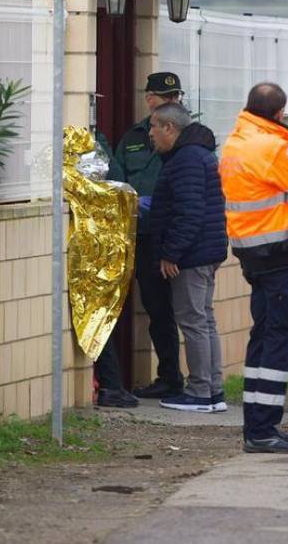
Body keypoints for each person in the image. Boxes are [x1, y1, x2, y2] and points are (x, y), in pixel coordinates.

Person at [221, 82, 288, 454]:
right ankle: (264, 430)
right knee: (278, 339)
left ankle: (257, 424)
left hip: (251, 254)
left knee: (262, 337)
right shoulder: (272, 147)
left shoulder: (235, 143)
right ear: (278, 113)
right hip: (279, 252)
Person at [107, 72, 186, 400]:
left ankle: (175, 377)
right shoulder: (136, 136)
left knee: (171, 311)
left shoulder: (190, 137)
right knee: (142, 306)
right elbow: (116, 175)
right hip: (134, 233)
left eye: (174, 98)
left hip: (168, 237)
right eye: (162, 98)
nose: (169, 103)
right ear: (149, 99)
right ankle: (158, 377)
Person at [145, 104, 229, 413]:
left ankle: (200, 392)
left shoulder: (186, 160)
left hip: (192, 255)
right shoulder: (196, 154)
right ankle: (213, 389)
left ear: (169, 128)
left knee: (193, 321)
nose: (150, 133)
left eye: (154, 126)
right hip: (204, 250)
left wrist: (171, 253)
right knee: (204, 320)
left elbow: (189, 213)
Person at [91, 128, 139, 408]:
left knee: (101, 312)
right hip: (100, 241)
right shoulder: (94, 146)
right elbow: (117, 179)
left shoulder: (92, 145)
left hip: (99, 241)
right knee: (101, 312)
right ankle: (110, 384)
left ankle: (111, 384)